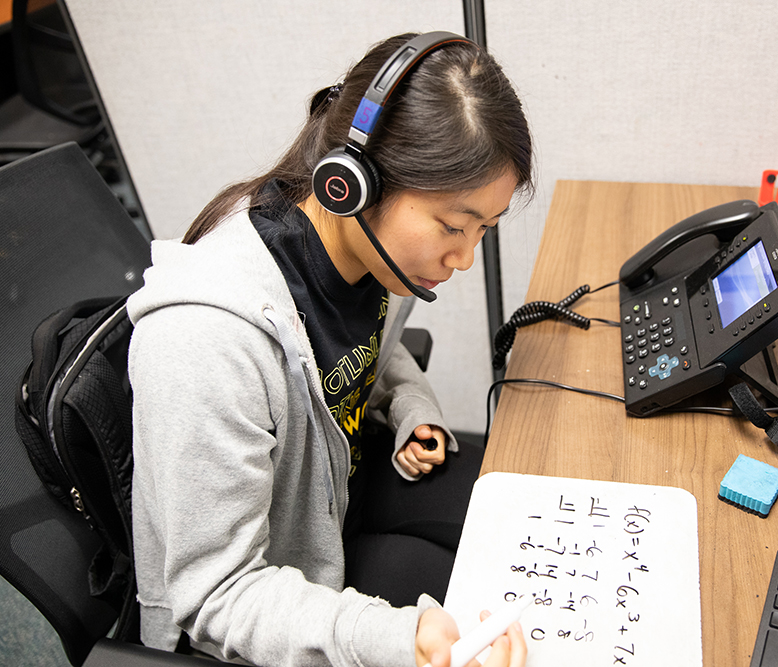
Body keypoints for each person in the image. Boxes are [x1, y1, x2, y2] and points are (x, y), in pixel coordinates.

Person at [126, 31, 533, 667]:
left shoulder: (367, 255)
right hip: (263, 596)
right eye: (453, 226)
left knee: (510, 517)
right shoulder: (205, 339)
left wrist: (410, 404)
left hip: (335, 498)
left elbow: (348, 347)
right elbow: (214, 598)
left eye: (483, 228)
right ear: (353, 185)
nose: (463, 258)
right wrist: (393, 638)